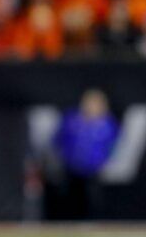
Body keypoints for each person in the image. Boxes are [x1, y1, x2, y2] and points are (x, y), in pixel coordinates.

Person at [49, 89, 120, 220]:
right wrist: (63, 157)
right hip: (71, 169)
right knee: (70, 200)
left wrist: (103, 161)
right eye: (89, 102)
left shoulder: (107, 123)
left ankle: (93, 223)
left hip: (94, 170)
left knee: (94, 200)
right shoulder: (72, 120)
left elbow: (113, 145)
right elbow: (58, 140)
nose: (91, 106)